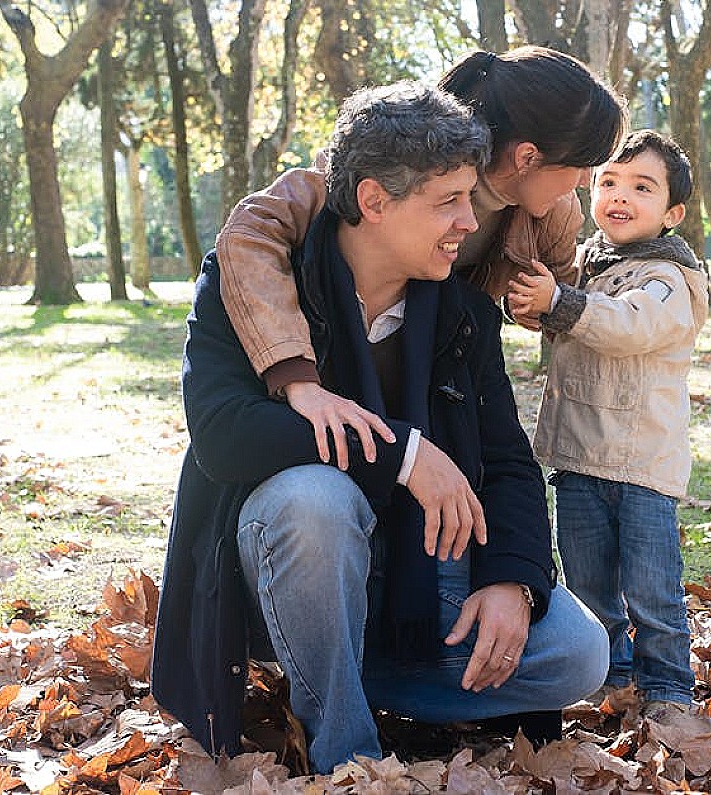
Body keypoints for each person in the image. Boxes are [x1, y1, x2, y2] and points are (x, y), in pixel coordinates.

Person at [150, 82, 609, 775]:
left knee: (580, 652)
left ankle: (345, 678)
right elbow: (224, 433)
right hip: (280, 570)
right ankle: (348, 753)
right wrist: (404, 455)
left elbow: (509, 461)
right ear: (373, 201)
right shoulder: (250, 285)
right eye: (448, 201)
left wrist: (514, 583)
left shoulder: (462, 312)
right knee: (315, 499)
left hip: (415, 574)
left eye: (470, 198)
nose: (468, 222)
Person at [214, 46, 624, 467]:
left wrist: (547, 304)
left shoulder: (553, 214)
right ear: (527, 157)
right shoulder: (395, 158)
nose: (586, 182)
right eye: (581, 165)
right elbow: (249, 233)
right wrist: (295, 373)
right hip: (343, 362)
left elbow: (563, 302)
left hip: (434, 383)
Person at [506, 130, 709, 724]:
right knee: (589, 586)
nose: (620, 196)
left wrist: (561, 304)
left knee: (652, 591)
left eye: (642, 188)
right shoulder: (585, 266)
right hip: (578, 458)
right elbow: (569, 324)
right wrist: (536, 307)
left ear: (671, 213)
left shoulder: (669, 278)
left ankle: (668, 689)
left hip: (641, 463)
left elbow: (628, 325)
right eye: (609, 182)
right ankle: (610, 679)